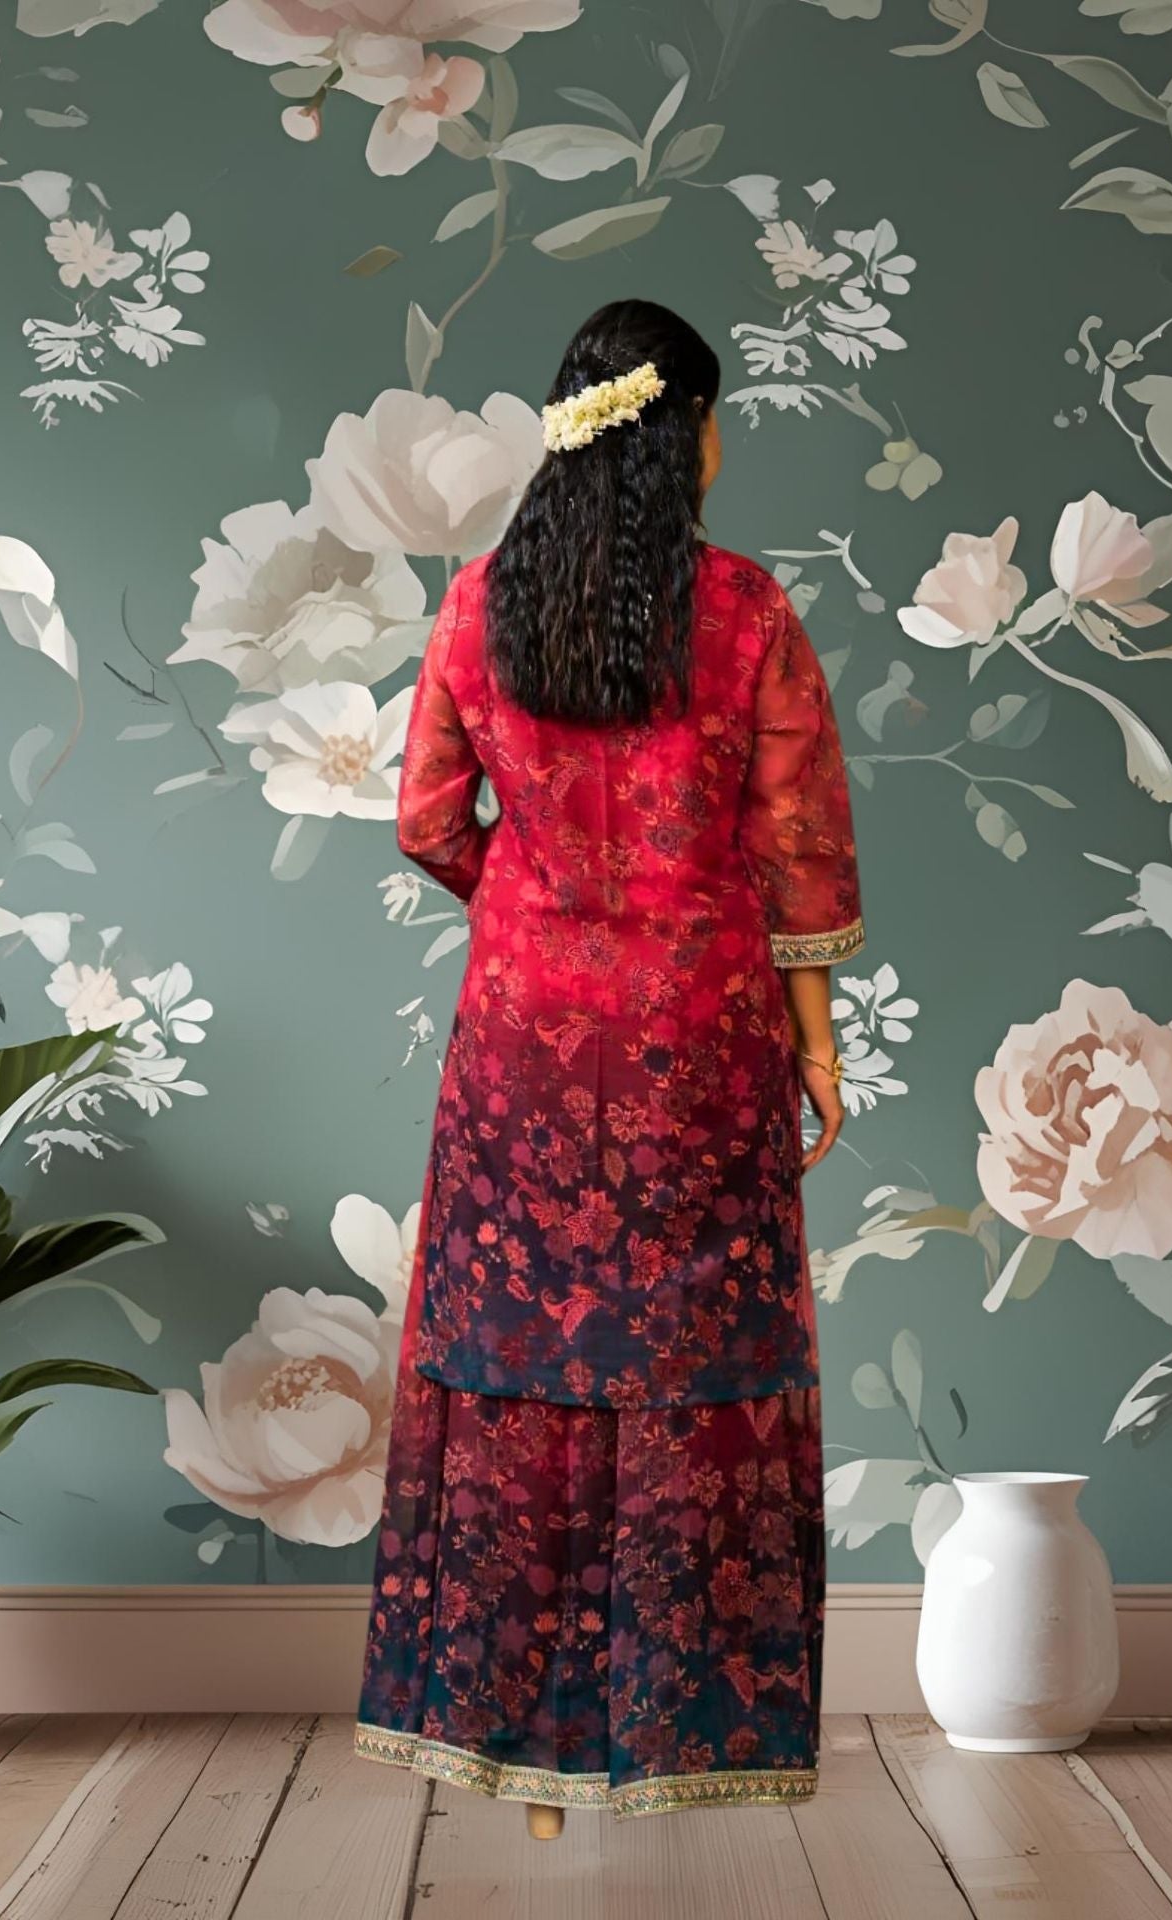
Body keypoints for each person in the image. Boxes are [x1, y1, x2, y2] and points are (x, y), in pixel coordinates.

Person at [353, 297, 865, 1834]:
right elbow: (798, 847)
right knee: (693, 1365)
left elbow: (427, 820)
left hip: (519, 1051)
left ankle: (517, 1756)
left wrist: (528, 911)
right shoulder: (747, 612)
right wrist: (817, 1043)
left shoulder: (478, 604)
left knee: (517, 1362)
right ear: (687, 433)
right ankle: (678, 1736)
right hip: (700, 1048)